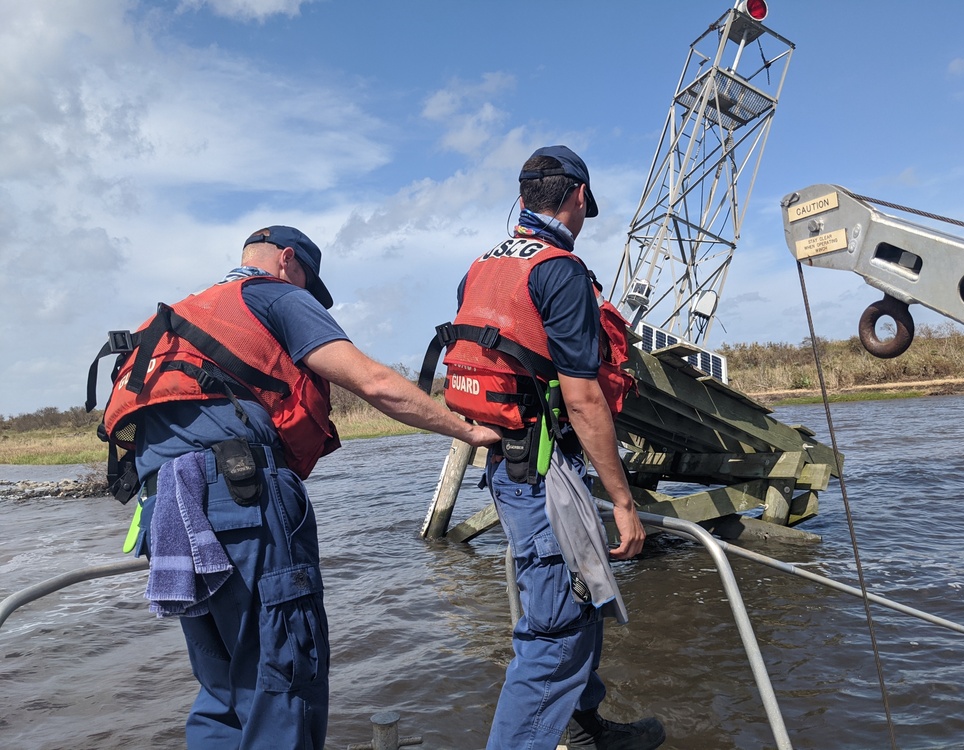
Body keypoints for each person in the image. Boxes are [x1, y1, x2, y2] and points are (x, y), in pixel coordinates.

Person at [88, 226, 500, 749]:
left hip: (166, 510)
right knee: (283, 679)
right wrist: (466, 429)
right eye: (308, 281)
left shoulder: (178, 317)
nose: (308, 295)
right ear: (287, 261)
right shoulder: (275, 296)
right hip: (240, 499)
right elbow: (372, 382)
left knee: (223, 694)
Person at [437, 146, 667, 749]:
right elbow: (585, 399)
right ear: (579, 198)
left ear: (522, 196)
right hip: (543, 476)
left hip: (511, 463)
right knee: (556, 629)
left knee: (575, 602)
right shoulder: (558, 268)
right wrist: (623, 500)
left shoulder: (480, 266)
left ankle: (587, 732)